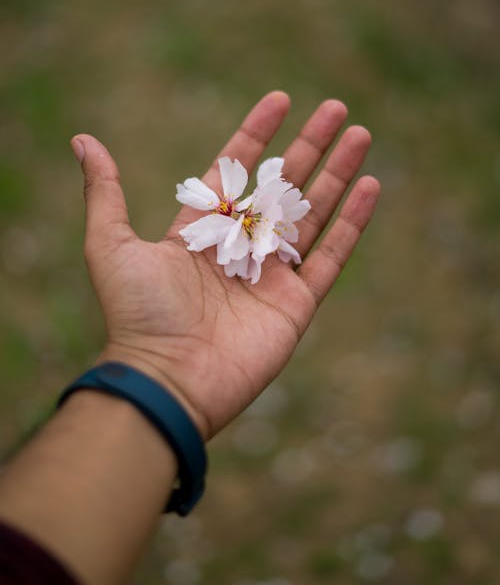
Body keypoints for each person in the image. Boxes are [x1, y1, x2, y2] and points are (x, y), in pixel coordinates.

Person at [0, 91, 380, 585]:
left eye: (245, 216)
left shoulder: (252, 219)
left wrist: (156, 369)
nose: (245, 217)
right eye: (240, 214)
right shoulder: (227, 218)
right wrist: (159, 370)